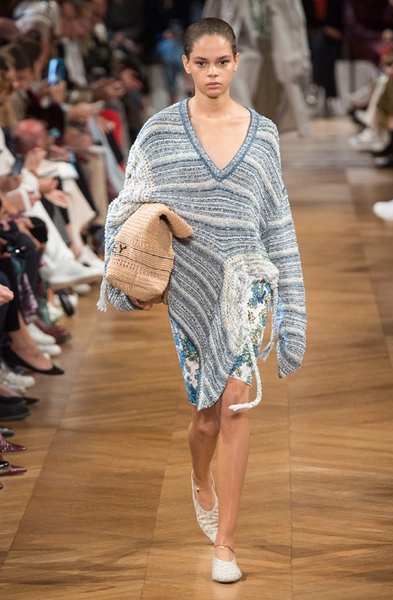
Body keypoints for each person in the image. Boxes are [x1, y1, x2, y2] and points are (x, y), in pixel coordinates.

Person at [100, 17, 306, 583]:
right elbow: (126, 207)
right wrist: (123, 280)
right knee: (206, 420)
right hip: (190, 286)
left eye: (222, 62)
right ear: (186, 65)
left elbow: (277, 221)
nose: (213, 73)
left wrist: (291, 303)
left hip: (248, 283)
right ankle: (199, 476)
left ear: (236, 63)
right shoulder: (159, 132)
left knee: (236, 402)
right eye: (202, 63)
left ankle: (226, 544)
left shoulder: (263, 133)